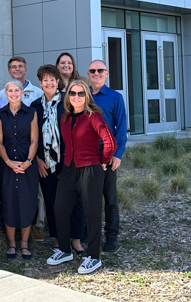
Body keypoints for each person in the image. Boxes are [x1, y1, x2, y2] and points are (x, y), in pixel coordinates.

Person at [47, 80, 116, 275]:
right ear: (68, 96)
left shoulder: (93, 116)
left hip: (90, 170)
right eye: (72, 93)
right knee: (59, 208)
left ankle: (94, 256)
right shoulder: (66, 117)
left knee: (92, 213)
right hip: (68, 169)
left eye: (80, 94)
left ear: (87, 96)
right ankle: (64, 250)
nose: (76, 97)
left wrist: (103, 160)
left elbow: (109, 141)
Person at [30, 65, 85, 254]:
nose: (49, 83)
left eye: (52, 79)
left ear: (57, 81)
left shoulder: (68, 104)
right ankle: (59, 240)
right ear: (40, 83)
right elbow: (32, 137)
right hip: (45, 163)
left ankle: (76, 240)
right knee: (52, 202)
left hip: (68, 161)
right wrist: (37, 160)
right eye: (45, 80)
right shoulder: (35, 107)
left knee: (75, 200)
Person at [0, 79, 39, 260]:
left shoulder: (31, 113)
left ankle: (25, 243)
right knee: (9, 202)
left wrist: (28, 161)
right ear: (6, 93)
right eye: (10, 91)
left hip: (27, 164)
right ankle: (12, 244)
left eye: (16, 90)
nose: (13, 93)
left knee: (27, 202)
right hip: (8, 165)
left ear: (22, 92)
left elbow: (35, 140)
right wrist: (7, 162)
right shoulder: (0, 114)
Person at [88, 59, 127, 253]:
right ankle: (88, 235)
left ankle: (111, 236)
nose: (96, 73)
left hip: (108, 156)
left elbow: (121, 129)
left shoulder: (115, 97)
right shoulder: (81, 95)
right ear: (88, 74)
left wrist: (117, 155)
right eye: (92, 71)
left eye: (100, 70)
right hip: (86, 156)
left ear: (107, 73)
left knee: (109, 199)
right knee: (87, 198)